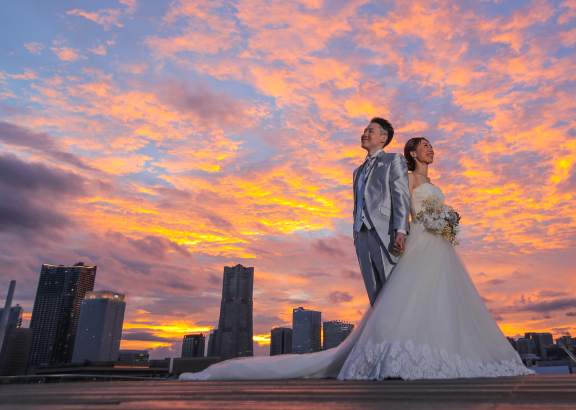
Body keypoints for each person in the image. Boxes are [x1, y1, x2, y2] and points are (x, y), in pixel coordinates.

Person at [180, 134, 531, 380]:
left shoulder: (433, 182)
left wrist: (449, 221)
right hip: (421, 240)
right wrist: (415, 225)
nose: (431, 150)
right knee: (411, 298)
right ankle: (396, 357)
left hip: (439, 245)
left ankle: (452, 353)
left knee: (445, 301)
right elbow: (407, 209)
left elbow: (436, 211)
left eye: (432, 146)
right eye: (425, 146)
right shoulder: (407, 177)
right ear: (411, 152)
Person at [352, 117, 411, 306]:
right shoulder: (357, 171)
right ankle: (381, 335)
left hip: (385, 232)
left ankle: (400, 335)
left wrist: (401, 229)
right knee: (374, 296)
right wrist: (355, 233)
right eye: (365, 131)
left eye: (370, 131)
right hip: (361, 236)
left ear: (383, 138)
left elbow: (401, 195)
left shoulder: (394, 159)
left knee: (392, 290)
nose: (365, 134)